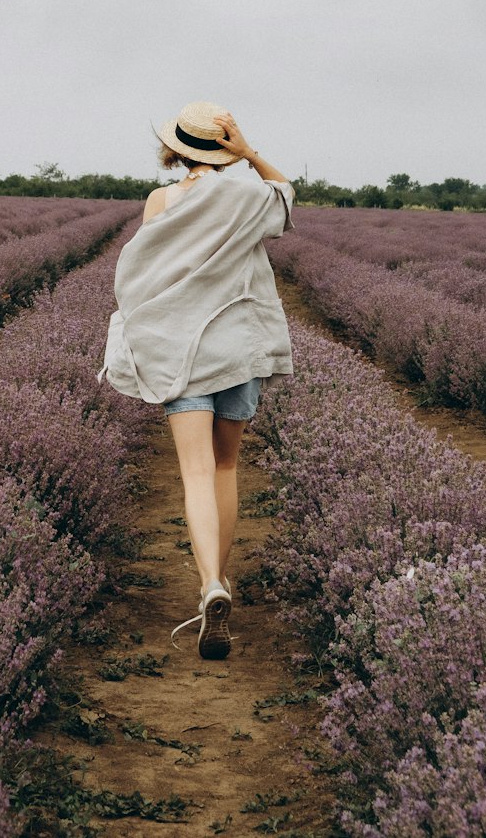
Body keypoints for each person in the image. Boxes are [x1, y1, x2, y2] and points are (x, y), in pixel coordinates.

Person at [98, 101, 294, 659]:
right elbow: (287, 196)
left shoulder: (162, 200)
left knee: (195, 471)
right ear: (222, 148)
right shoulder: (250, 197)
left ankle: (208, 582)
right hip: (238, 349)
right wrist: (249, 153)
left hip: (181, 351)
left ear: (177, 149)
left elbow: (142, 275)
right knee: (228, 465)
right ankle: (220, 580)